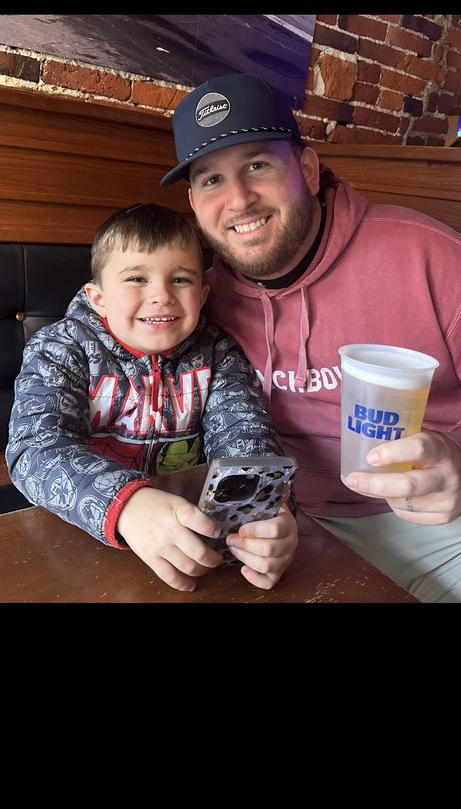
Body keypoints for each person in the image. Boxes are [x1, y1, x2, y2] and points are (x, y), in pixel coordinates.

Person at [160, 72, 461, 603]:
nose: (238, 199)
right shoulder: (196, 300)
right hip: (284, 533)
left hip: (441, 528)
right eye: (211, 180)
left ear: (307, 168)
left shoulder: (431, 257)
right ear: (193, 201)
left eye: (258, 165)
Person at [6, 202, 298, 592]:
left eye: (180, 279)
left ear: (202, 295)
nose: (162, 295)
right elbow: (34, 449)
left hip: (189, 538)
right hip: (75, 537)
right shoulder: (60, 349)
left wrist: (267, 513)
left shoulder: (218, 352)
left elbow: (245, 435)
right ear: (98, 298)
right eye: (136, 278)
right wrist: (126, 503)